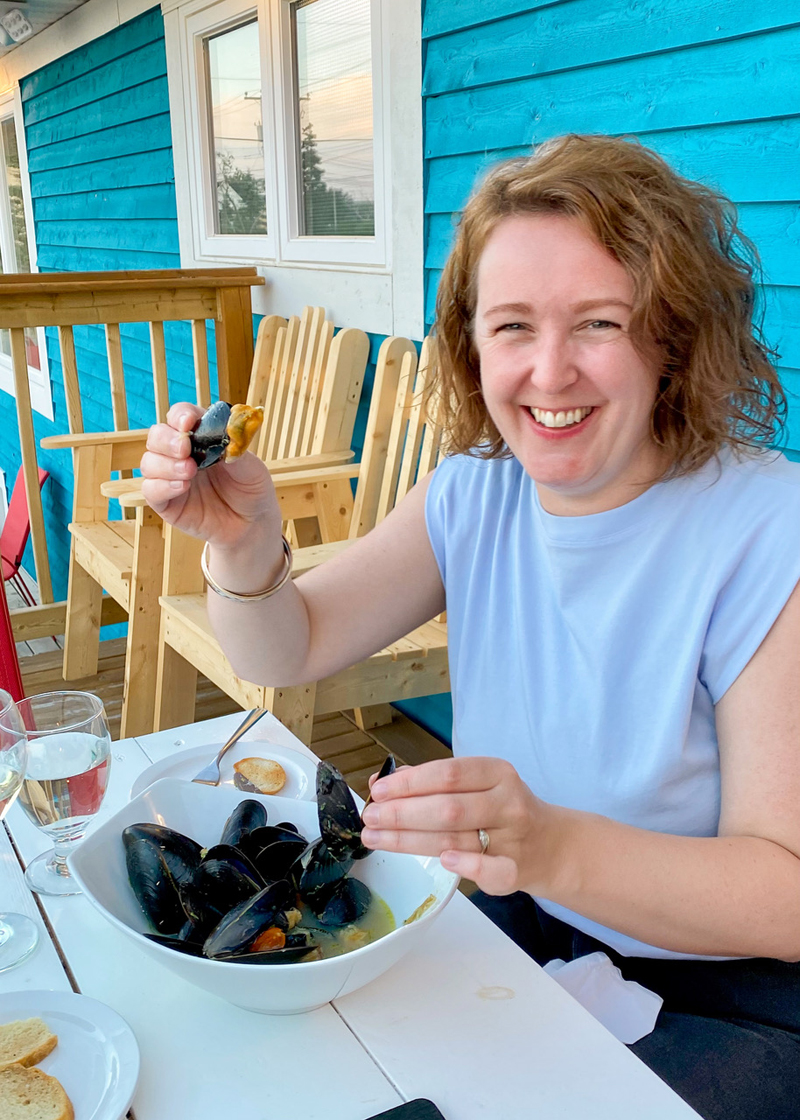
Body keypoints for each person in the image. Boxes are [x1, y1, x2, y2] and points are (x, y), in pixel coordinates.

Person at [141, 134, 800, 1119]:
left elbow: (785, 898)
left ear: (671, 337)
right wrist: (242, 546)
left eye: (599, 323)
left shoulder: (767, 528)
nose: (548, 371)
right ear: (470, 344)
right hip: (522, 921)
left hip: (729, 991)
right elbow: (288, 647)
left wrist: (546, 845)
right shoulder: (472, 492)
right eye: (512, 326)